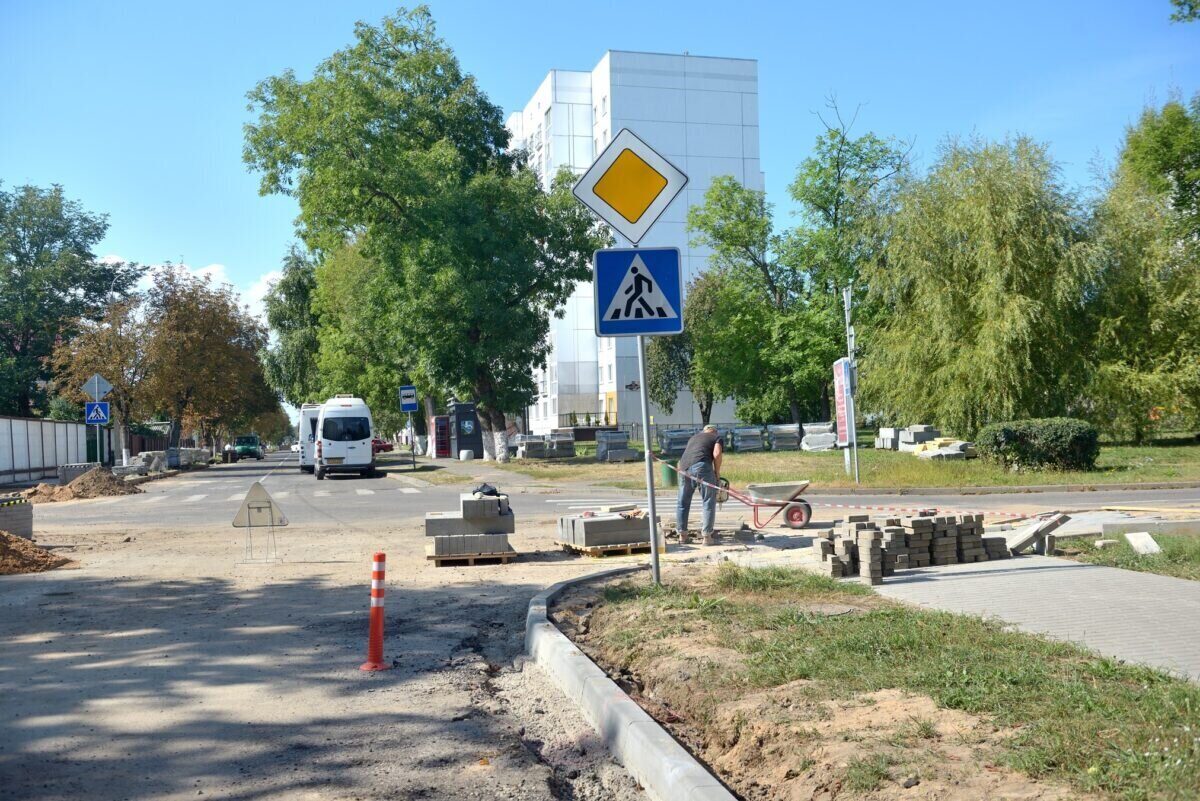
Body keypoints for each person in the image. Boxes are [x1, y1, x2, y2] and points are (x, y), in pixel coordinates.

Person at [675, 424, 723, 545]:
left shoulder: (693, 438)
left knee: (682, 502)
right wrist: (717, 474)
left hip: (683, 467)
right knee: (708, 501)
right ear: (714, 431)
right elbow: (717, 454)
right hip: (701, 467)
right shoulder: (716, 437)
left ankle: (682, 536)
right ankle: (707, 537)